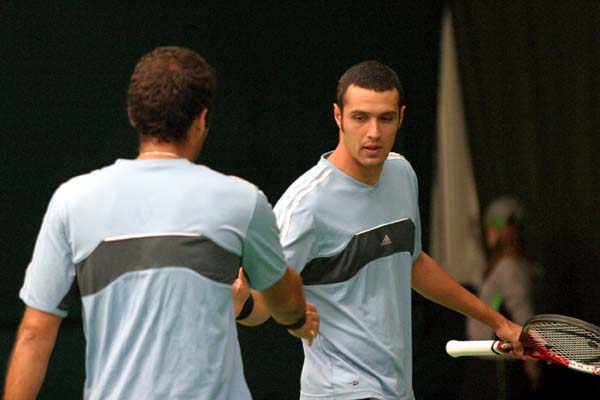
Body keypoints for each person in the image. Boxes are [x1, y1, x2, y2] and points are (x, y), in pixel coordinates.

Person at [3, 46, 318, 400]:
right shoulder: (243, 201)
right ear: (202, 119)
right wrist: (296, 320)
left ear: (133, 116)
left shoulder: (71, 200)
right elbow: (285, 300)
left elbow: (34, 333)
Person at [232, 60, 530, 399]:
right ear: (338, 116)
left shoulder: (402, 174)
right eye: (360, 117)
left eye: (385, 118)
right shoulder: (304, 205)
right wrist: (242, 305)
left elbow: (414, 264)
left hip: (397, 389)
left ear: (400, 118)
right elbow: (265, 301)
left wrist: (498, 322)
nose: (373, 132)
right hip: (340, 391)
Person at [463, 196, 542, 399]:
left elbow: (522, 312)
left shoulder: (508, 267)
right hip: (488, 360)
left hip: (499, 364)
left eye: (491, 228)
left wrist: (531, 361)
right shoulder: (504, 265)